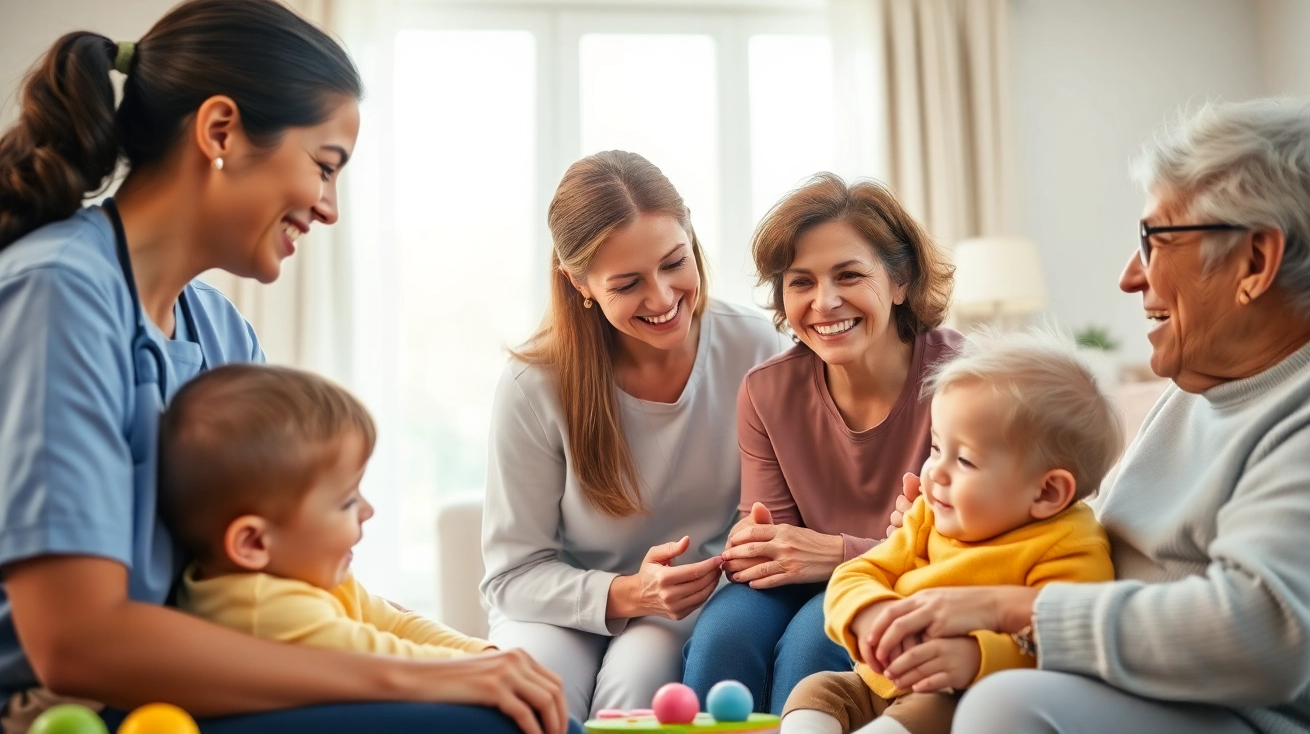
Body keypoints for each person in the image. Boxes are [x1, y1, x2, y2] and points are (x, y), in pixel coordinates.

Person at [0, 0, 569, 734]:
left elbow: (288, 589)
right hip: (69, 711)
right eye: (324, 166)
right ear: (222, 130)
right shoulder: (57, 293)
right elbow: (77, 644)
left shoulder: (223, 335)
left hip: (182, 694)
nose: (330, 207)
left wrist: (477, 659)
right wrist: (422, 677)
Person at [880, 99, 1310, 734]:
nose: (1130, 277)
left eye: (1155, 240)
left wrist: (1011, 607)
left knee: (1004, 706)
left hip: (1249, 713)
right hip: (1137, 684)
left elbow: (1265, 630)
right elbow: (1101, 542)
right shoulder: (1200, 383)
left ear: (1255, 262)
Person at [481, 150, 784, 719]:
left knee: (639, 676)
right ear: (579, 284)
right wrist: (627, 594)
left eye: (675, 262)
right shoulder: (533, 383)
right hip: (557, 607)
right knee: (531, 694)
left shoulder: (758, 349)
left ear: (691, 234)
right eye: (628, 284)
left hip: (701, 598)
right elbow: (511, 574)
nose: (663, 298)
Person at [683, 174, 961, 714]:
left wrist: (837, 553)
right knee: (722, 639)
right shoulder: (767, 390)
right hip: (807, 579)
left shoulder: (964, 381)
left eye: (849, 275)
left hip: (912, 576)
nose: (824, 302)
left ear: (900, 282)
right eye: (801, 282)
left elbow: (968, 547)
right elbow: (772, 540)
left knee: (816, 644)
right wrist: (753, 548)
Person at [779, 330, 1121, 734]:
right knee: (816, 691)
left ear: (1046, 492)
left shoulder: (1070, 546)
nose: (934, 471)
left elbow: (1070, 641)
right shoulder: (929, 513)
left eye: (965, 460)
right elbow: (857, 574)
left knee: (925, 717)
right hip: (876, 682)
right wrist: (869, 612)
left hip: (956, 696)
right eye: (937, 448)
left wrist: (977, 657)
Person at [160, 364, 494, 660]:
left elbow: (396, 623)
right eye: (347, 501)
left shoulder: (305, 574)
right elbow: (386, 658)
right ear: (254, 543)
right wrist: (485, 670)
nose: (368, 510)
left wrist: (486, 654)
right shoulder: (260, 607)